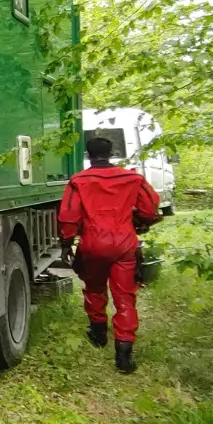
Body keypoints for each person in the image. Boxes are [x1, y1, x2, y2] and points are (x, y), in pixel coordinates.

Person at [58, 135, 162, 373]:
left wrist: (66, 244)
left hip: (93, 243)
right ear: (112, 153)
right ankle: (124, 357)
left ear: (88, 154)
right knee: (125, 297)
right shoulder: (133, 178)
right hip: (125, 243)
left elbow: (69, 216)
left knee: (94, 288)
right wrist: (141, 222)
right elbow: (150, 207)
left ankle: (98, 335)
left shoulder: (79, 181)